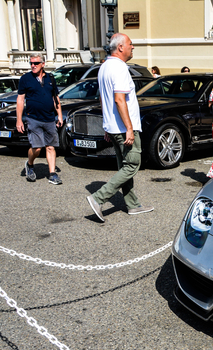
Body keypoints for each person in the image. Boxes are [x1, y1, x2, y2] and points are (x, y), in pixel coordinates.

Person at [86, 33, 153, 222]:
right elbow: (118, 99)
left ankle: (133, 205)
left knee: (124, 166)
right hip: (123, 128)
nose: (133, 47)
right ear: (121, 47)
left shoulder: (104, 67)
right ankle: (98, 198)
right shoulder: (120, 68)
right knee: (132, 165)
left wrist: (107, 126)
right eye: (131, 44)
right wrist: (129, 128)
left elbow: (103, 99)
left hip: (114, 127)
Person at [17, 53, 63, 184]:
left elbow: (55, 98)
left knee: (50, 147)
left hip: (49, 118)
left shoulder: (50, 78)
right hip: (33, 118)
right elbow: (20, 100)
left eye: (36, 63)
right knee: (37, 148)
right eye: (31, 63)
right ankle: (30, 164)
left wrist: (59, 115)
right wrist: (19, 119)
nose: (33, 65)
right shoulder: (25, 79)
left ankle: (52, 174)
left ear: (43, 64)